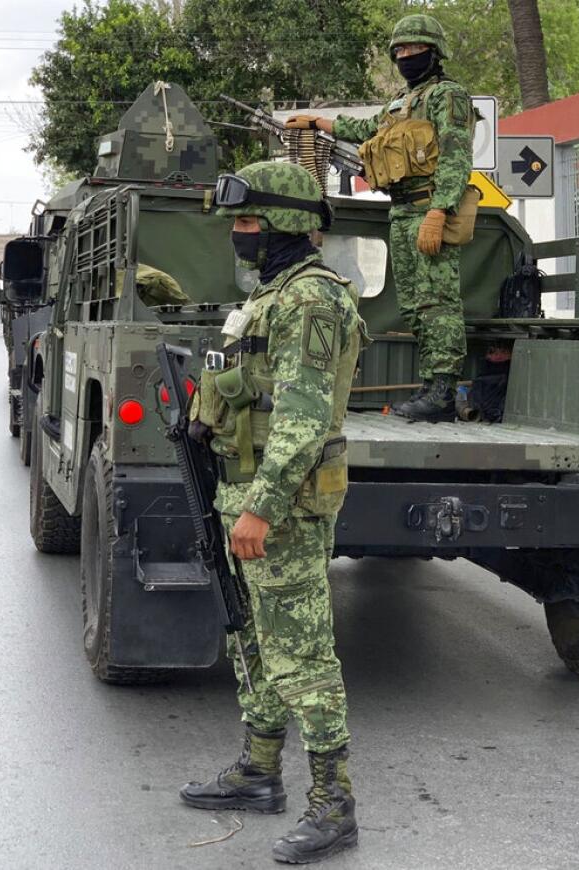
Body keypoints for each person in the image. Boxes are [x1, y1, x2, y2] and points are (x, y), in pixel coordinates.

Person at [179, 161, 364, 864]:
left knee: (303, 657)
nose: (238, 233)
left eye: (249, 221)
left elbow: (303, 421)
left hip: (279, 505)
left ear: (286, 222)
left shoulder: (311, 300)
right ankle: (259, 772)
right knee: (250, 638)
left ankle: (334, 805)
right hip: (243, 491)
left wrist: (260, 508)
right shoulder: (271, 296)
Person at [286, 13, 474, 422]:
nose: (405, 56)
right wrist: (321, 122)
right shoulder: (402, 104)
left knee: (437, 303)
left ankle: (443, 391)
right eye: (400, 51)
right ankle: (430, 386)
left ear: (433, 51)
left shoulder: (448, 96)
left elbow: (457, 157)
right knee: (413, 305)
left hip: (429, 208)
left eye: (413, 49)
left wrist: (439, 211)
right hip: (403, 211)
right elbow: (368, 128)